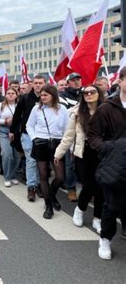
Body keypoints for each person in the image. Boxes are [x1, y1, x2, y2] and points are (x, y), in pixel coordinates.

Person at [88, 66, 126, 260]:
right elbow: (93, 135)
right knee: (111, 205)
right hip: (115, 165)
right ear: (120, 81)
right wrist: (107, 149)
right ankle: (105, 238)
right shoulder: (107, 108)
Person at [54, 84, 104, 231]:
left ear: (98, 94)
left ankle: (97, 218)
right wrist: (59, 153)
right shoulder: (77, 113)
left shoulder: (106, 110)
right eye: (86, 93)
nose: (89, 95)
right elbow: (69, 135)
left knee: (100, 187)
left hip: (102, 153)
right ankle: (80, 210)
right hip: (83, 153)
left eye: (92, 92)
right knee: (88, 186)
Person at [27, 85, 69, 219]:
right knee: (43, 176)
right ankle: (48, 206)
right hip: (40, 143)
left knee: (60, 177)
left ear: (53, 95)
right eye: (41, 95)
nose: (42, 97)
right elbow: (29, 125)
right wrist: (34, 138)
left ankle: (51, 195)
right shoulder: (36, 109)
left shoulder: (62, 109)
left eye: (46, 95)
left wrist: (65, 144)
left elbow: (67, 128)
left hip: (57, 144)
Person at [10, 74, 46, 202]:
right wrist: (12, 131)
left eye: (40, 83)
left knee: (41, 162)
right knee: (31, 161)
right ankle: (31, 187)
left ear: (44, 84)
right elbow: (17, 116)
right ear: (32, 84)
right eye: (35, 83)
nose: (37, 85)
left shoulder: (48, 98)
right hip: (26, 134)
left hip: (43, 135)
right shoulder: (25, 98)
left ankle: (40, 185)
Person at [59, 72, 83, 202]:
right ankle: (71, 188)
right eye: (73, 80)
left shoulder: (86, 93)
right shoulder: (62, 96)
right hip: (71, 133)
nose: (77, 82)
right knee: (70, 164)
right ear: (68, 83)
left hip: (85, 133)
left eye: (78, 79)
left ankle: (87, 190)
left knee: (85, 163)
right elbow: (66, 114)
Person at [0, 88, 20, 187]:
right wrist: (5, 121)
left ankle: (13, 175)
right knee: (7, 154)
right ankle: (7, 177)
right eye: (8, 93)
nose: (10, 95)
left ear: (17, 95)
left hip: (17, 133)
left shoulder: (19, 105)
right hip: (4, 132)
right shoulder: (1, 105)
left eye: (13, 93)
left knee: (16, 156)